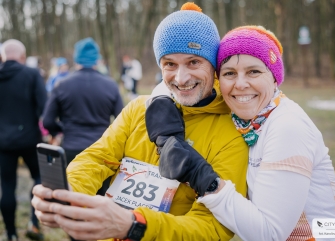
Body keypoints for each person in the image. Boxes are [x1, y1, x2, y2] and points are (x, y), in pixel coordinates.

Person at [31, 3, 248, 241]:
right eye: (170, 64)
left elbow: (213, 227)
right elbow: (98, 158)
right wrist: (69, 192)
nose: (181, 77)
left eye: (194, 62)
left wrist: (136, 225)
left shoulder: (233, 131)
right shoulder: (138, 109)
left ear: (214, 66)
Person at [156, 26, 335, 241]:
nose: (241, 84)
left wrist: (204, 179)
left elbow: (270, 235)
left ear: (274, 78)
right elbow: (178, 81)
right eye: (229, 74)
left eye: (254, 71)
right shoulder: (250, 120)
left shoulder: (288, 127)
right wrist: (158, 105)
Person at [42, 37, 124, 196]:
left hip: (72, 149)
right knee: (101, 200)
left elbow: (47, 121)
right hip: (103, 151)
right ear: (96, 59)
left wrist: (63, 129)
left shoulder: (62, 85)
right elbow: (122, 120)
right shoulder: (110, 85)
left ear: (76, 58)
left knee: (73, 199)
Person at [0, 39, 47, 241]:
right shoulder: (31, 74)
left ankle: (10, 234)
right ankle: (34, 223)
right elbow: (44, 107)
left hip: (3, 142)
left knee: (7, 186)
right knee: (38, 178)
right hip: (30, 139)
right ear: (22, 56)